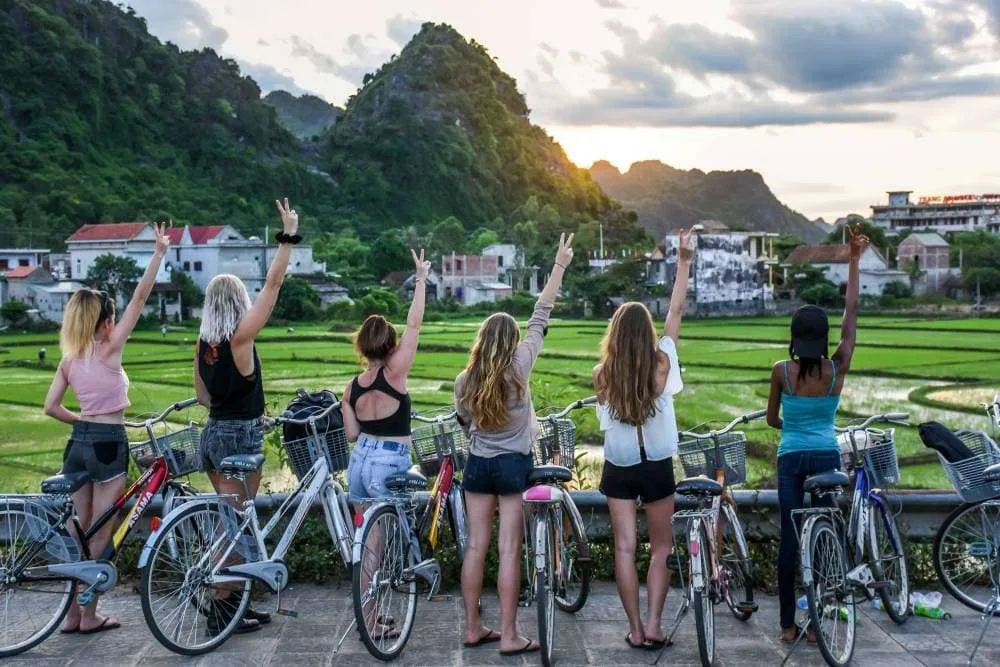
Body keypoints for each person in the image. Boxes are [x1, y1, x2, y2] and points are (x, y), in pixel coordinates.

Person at [43, 222, 171, 635]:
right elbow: (140, 297)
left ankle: (71, 617)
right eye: (112, 319)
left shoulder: (70, 358)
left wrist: (82, 420)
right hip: (108, 445)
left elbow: (51, 407)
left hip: (76, 445)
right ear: (104, 323)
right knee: (101, 533)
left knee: (78, 529)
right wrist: (157, 253)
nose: (116, 324)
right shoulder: (110, 349)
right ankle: (90, 613)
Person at [454, 233, 574, 657]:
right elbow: (541, 313)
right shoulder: (519, 367)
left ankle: (472, 627)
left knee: (474, 546)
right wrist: (559, 265)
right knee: (509, 550)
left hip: (478, 467)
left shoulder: (464, 380)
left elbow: (465, 421)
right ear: (511, 340)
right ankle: (508, 634)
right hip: (512, 467)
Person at [193, 197, 299, 635]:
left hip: (214, 435)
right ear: (239, 302)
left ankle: (233, 606)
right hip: (239, 439)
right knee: (236, 529)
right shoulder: (239, 339)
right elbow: (272, 287)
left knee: (230, 521)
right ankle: (220, 604)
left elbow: (203, 396)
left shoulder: (203, 344)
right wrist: (288, 236)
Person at [766, 223, 869, 643]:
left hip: (791, 458)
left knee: (790, 543)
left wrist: (792, 426)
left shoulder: (781, 372)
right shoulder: (836, 368)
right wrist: (853, 261)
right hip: (828, 459)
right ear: (823, 338)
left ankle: (788, 626)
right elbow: (852, 312)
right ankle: (819, 622)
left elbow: (773, 420)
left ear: (793, 338)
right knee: (826, 541)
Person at [593, 228, 693, 650]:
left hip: (618, 467)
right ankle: (654, 625)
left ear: (615, 334)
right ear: (646, 331)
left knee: (624, 548)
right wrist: (684, 262)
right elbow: (675, 311)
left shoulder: (603, 374)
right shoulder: (662, 362)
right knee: (660, 548)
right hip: (656, 465)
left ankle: (634, 630)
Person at [342, 248, 430, 639]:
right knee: (376, 548)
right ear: (389, 342)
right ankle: (371, 622)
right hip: (389, 461)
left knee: (367, 541)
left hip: (359, 462)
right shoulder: (395, 373)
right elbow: (415, 324)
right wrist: (422, 279)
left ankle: (370, 614)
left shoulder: (353, 387)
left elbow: (351, 435)